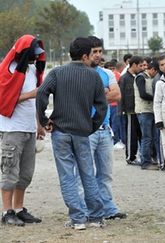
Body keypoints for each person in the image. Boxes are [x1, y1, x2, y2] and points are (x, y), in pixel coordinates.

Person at [36, 37, 107, 230]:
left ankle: (77, 219)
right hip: (82, 131)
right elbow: (102, 106)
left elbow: (42, 93)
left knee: (67, 175)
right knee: (88, 174)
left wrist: (44, 119)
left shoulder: (57, 72)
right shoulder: (94, 76)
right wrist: (91, 125)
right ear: (85, 55)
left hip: (60, 131)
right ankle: (96, 217)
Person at [0, 34, 45, 226]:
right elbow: (4, 101)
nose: (36, 57)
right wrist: (32, 94)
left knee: (26, 173)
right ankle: (6, 211)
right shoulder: (7, 71)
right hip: (12, 129)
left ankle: (19, 209)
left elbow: (34, 101)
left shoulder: (33, 71)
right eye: (33, 54)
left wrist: (39, 124)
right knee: (10, 171)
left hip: (28, 128)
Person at [87, 36, 126, 219]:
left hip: (104, 129)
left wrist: (96, 95)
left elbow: (116, 95)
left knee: (105, 173)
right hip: (86, 130)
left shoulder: (107, 73)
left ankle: (108, 208)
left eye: (100, 51)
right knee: (86, 173)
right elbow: (82, 98)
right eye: (94, 52)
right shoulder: (80, 73)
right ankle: (88, 209)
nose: (98, 55)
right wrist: (102, 93)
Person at [119, 56, 145, 165]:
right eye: (140, 65)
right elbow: (121, 95)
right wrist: (121, 110)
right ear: (133, 65)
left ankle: (141, 156)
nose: (142, 68)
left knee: (140, 135)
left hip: (139, 110)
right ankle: (130, 157)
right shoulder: (124, 78)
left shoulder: (138, 77)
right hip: (129, 111)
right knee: (131, 135)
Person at [135, 57, 160, 170]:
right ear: (153, 70)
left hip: (151, 110)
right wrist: (157, 98)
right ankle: (145, 162)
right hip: (144, 111)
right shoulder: (141, 77)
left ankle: (152, 158)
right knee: (146, 137)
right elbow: (143, 94)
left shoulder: (150, 77)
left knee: (153, 137)